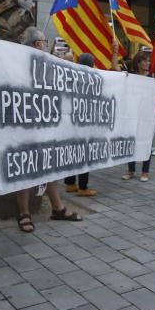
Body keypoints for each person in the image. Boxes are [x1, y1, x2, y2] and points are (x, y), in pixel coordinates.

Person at [15, 28, 82, 232]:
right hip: (25, 126)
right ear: (37, 44)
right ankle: (23, 212)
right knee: (26, 169)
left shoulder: (50, 65)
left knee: (51, 167)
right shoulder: (18, 64)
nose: (47, 44)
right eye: (45, 41)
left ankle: (57, 208)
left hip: (47, 125)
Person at [64, 53, 97, 196]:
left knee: (72, 153)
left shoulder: (71, 75)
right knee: (84, 155)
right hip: (84, 123)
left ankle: (70, 183)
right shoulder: (92, 78)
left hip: (71, 123)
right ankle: (83, 188)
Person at [124, 51, 155, 182]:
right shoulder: (131, 76)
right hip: (133, 113)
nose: (147, 63)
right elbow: (115, 68)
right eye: (144, 60)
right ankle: (131, 169)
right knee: (131, 142)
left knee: (146, 142)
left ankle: (145, 171)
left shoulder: (154, 77)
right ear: (138, 63)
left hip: (147, 114)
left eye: (148, 60)